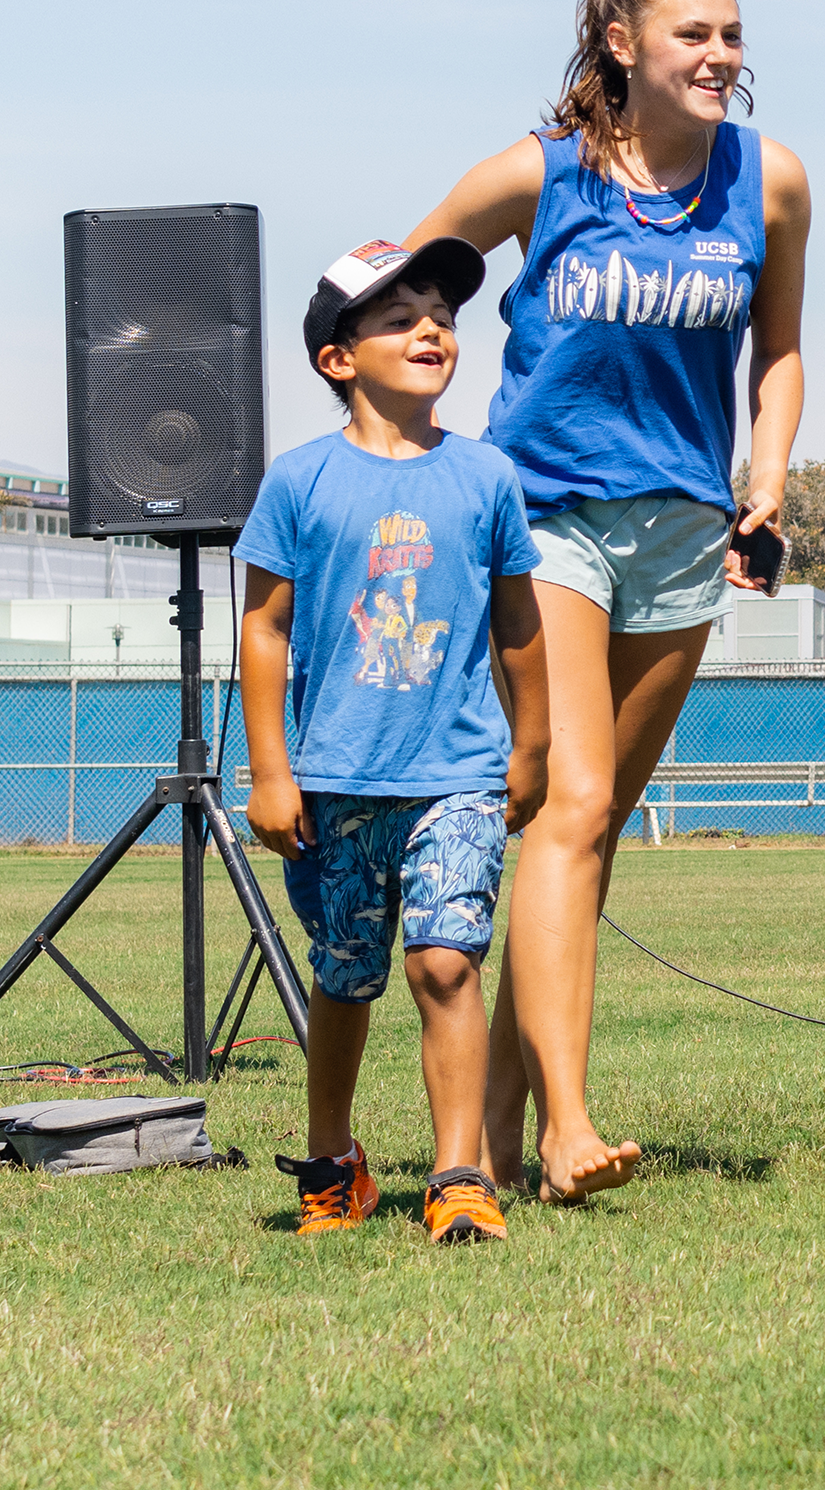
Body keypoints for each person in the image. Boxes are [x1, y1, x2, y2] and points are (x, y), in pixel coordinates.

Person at [410, 0, 812, 1205]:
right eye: (693, 32)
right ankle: (572, 1125)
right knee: (568, 805)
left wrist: (771, 467)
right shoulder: (542, 172)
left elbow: (781, 349)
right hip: (545, 519)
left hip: (686, 532)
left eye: (733, 34)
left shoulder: (773, 181)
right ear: (624, 44)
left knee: (587, 837)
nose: (720, 55)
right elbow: (405, 285)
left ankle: (509, 1114)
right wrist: (416, 429)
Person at [236, 237, 550, 1245]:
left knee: (446, 962)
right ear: (338, 357)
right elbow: (265, 629)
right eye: (399, 317)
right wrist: (272, 771)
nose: (431, 330)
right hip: (332, 781)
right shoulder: (299, 481)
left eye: (444, 318)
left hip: (456, 773)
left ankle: (461, 1175)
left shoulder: (487, 476)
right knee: (344, 974)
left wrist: (532, 744)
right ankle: (335, 1164)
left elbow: (519, 622)